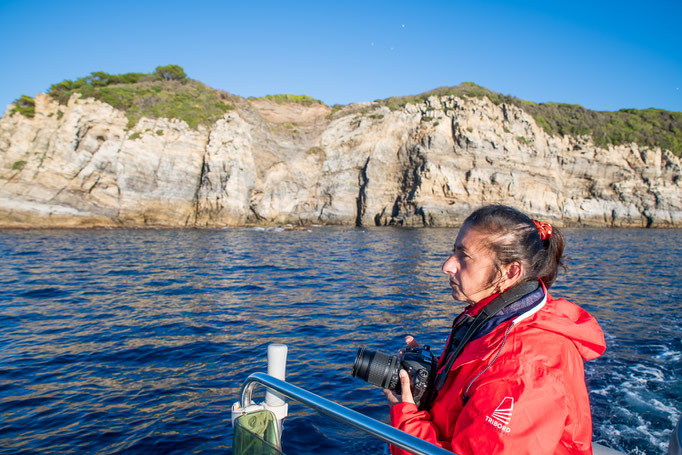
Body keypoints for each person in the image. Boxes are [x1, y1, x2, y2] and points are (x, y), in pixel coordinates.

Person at [384, 205, 606, 455]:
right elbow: (480, 380)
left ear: (511, 272)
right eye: (452, 252)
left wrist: (405, 416)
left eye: (464, 256)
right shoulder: (497, 317)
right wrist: (433, 376)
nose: (447, 266)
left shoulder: (523, 370)